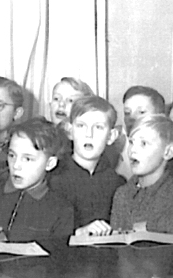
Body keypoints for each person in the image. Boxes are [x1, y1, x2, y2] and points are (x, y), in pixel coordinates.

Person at [76, 114, 173, 236]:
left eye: (144, 144)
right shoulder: (122, 193)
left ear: (168, 152)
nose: (133, 150)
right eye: (131, 142)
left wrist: (147, 226)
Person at [0, 117, 73, 243]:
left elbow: (57, 257)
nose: (16, 165)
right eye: (12, 155)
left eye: (27, 159)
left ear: (50, 163)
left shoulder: (61, 209)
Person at [49, 95, 124, 227]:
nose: (89, 134)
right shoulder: (53, 179)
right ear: (70, 131)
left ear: (111, 136)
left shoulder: (118, 183)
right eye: (81, 126)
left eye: (98, 127)